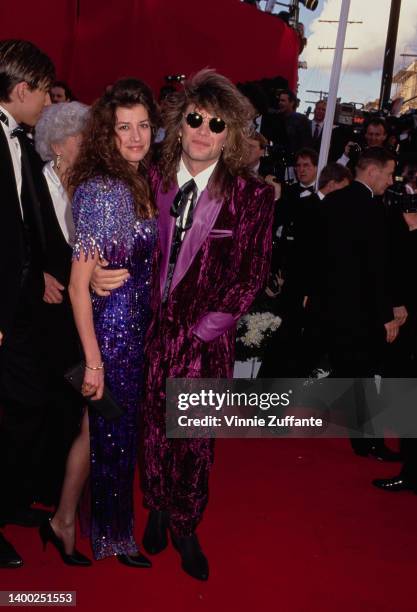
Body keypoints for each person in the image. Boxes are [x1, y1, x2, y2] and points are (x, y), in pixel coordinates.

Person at [92, 69, 275, 580]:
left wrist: (200, 333)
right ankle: (157, 509)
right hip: (145, 332)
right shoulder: (146, 177)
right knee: (151, 432)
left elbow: (250, 273)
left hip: (203, 342)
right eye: (194, 118)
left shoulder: (251, 197)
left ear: (231, 134)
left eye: (215, 125)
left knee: (193, 442)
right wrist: (96, 273)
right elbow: (112, 238)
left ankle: (186, 525)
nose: (202, 131)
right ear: (178, 122)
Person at [40, 78, 159, 567]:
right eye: (123, 128)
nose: (135, 137)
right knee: (107, 434)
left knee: (97, 432)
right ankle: (111, 532)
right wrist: (93, 362)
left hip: (134, 331)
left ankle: (64, 519)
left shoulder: (137, 178)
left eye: (143, 125)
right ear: (105, 134)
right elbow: (77, 283)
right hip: (110, 337)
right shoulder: (103, 190)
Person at [0, 38, 55, 569]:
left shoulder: (21, 140)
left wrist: (35, 274)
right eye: (43, 93)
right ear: (21, 90)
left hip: (17, 303)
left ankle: (9, 501)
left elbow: (16, 226)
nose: (47, 104)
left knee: (28, 404)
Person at [33, 101, 89, 504]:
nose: (86, 143)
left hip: (82, 309)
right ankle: (36, 482)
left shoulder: (90, 186)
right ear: (57, 145)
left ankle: (60, 487)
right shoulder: (33, 184)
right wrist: (36, 274)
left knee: (74, 397)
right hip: (44, 310)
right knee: (43, 396)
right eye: (79, 137)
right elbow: (19, 240)